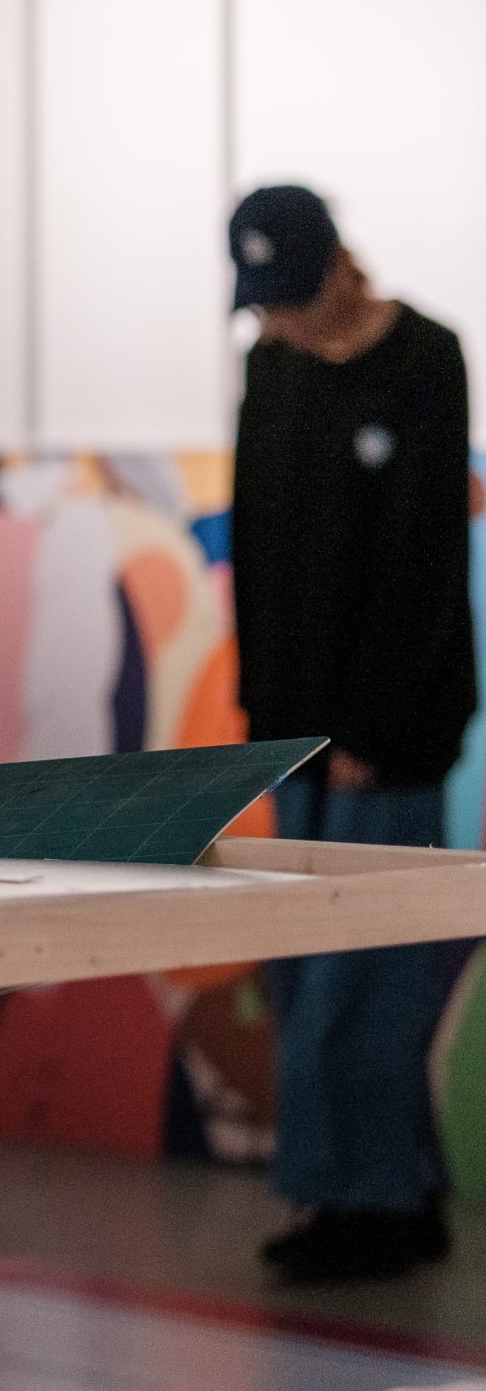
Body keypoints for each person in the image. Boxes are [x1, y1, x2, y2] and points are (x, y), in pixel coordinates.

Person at [229, 183, 477, 1283]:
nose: (278, 320)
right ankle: (372, 1191)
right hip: (293, 729)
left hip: (393, 731)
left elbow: (423, 559)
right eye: (262, 302)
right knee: (303, 972)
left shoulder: (425, 358)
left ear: (337, 265)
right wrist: (261, 721)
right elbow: (258, 544)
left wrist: (374, 728)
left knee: (368, 974)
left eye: (290, 295)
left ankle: (371, 1203)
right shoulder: (269, 370)